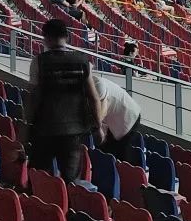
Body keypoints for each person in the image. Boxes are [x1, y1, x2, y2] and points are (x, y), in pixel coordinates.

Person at [25, 19, 99, 182]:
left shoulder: (39, 62)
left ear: (46, 38)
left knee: (38, 178)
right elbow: (94, 98)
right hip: (73, 131)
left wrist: (25, 127)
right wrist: (98, 126)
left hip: (44, 128)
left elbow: (32, 98)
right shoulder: (83, 62)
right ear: (67, 37)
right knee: (70, 181)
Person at [93, 73, 141, 159]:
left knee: (121, 153)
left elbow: (102, 111)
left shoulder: (98, 84)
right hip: (112, 119)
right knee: (105, 152)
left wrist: (99, 129)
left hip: (128, 116)